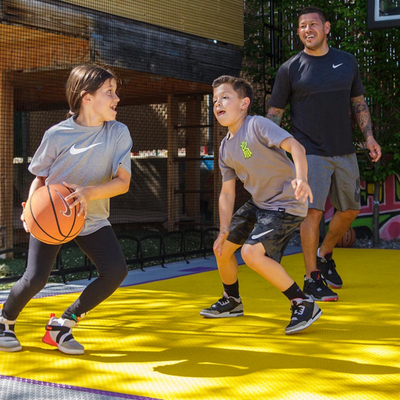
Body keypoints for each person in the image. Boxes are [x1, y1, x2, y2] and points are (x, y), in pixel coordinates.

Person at [0, 64, 133, 354]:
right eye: (109, 92)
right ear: (87, 98)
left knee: (115, 272)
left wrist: (89, 193)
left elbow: (123, 182)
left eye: (115, 92)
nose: (116, 98)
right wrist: (30, 209)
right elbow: (41, 177)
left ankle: (61, 326)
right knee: (35, 279)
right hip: (52, 214)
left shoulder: (118, 133)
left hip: (92, 216)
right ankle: (5, 321)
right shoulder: (57, 134)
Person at [267, 7, 381, 301]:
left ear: (326, 27)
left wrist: (368, 137)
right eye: (302, 26)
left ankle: (324, 253)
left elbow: (358, 103)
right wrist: (269, 151)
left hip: (344, 151)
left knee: (350, 211)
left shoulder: (346, 62)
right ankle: (311, 278)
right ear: (298, 32)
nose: (307, 29)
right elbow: (274, 115)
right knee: (313, 213)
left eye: (313, 24)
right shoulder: (290, 69)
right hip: (309, 152)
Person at [200, 75, 322, 335]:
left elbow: (296, 147)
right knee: (222, 249)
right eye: (215, 100)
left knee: (251, 253)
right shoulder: (224, 148)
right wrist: (223, 229)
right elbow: (227, 192)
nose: (218, 103)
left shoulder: (257, 125)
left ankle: (302, 302)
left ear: (244, 103)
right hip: (260, 204)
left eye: (225, 97)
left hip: (286, 203)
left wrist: (301, 178)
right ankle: (232, 301)